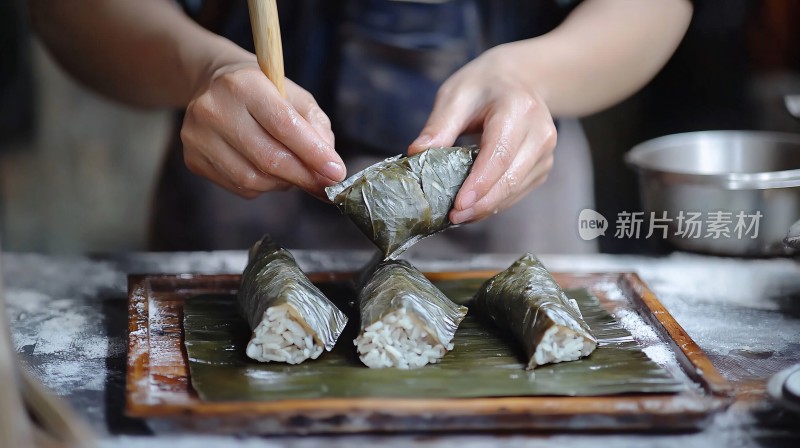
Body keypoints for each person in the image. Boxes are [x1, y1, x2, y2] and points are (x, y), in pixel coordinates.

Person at [29, 0, 692, 254]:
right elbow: (67, 12)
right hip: (237, 191)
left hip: (511, 193)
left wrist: (536, 75)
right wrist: (201, 66)